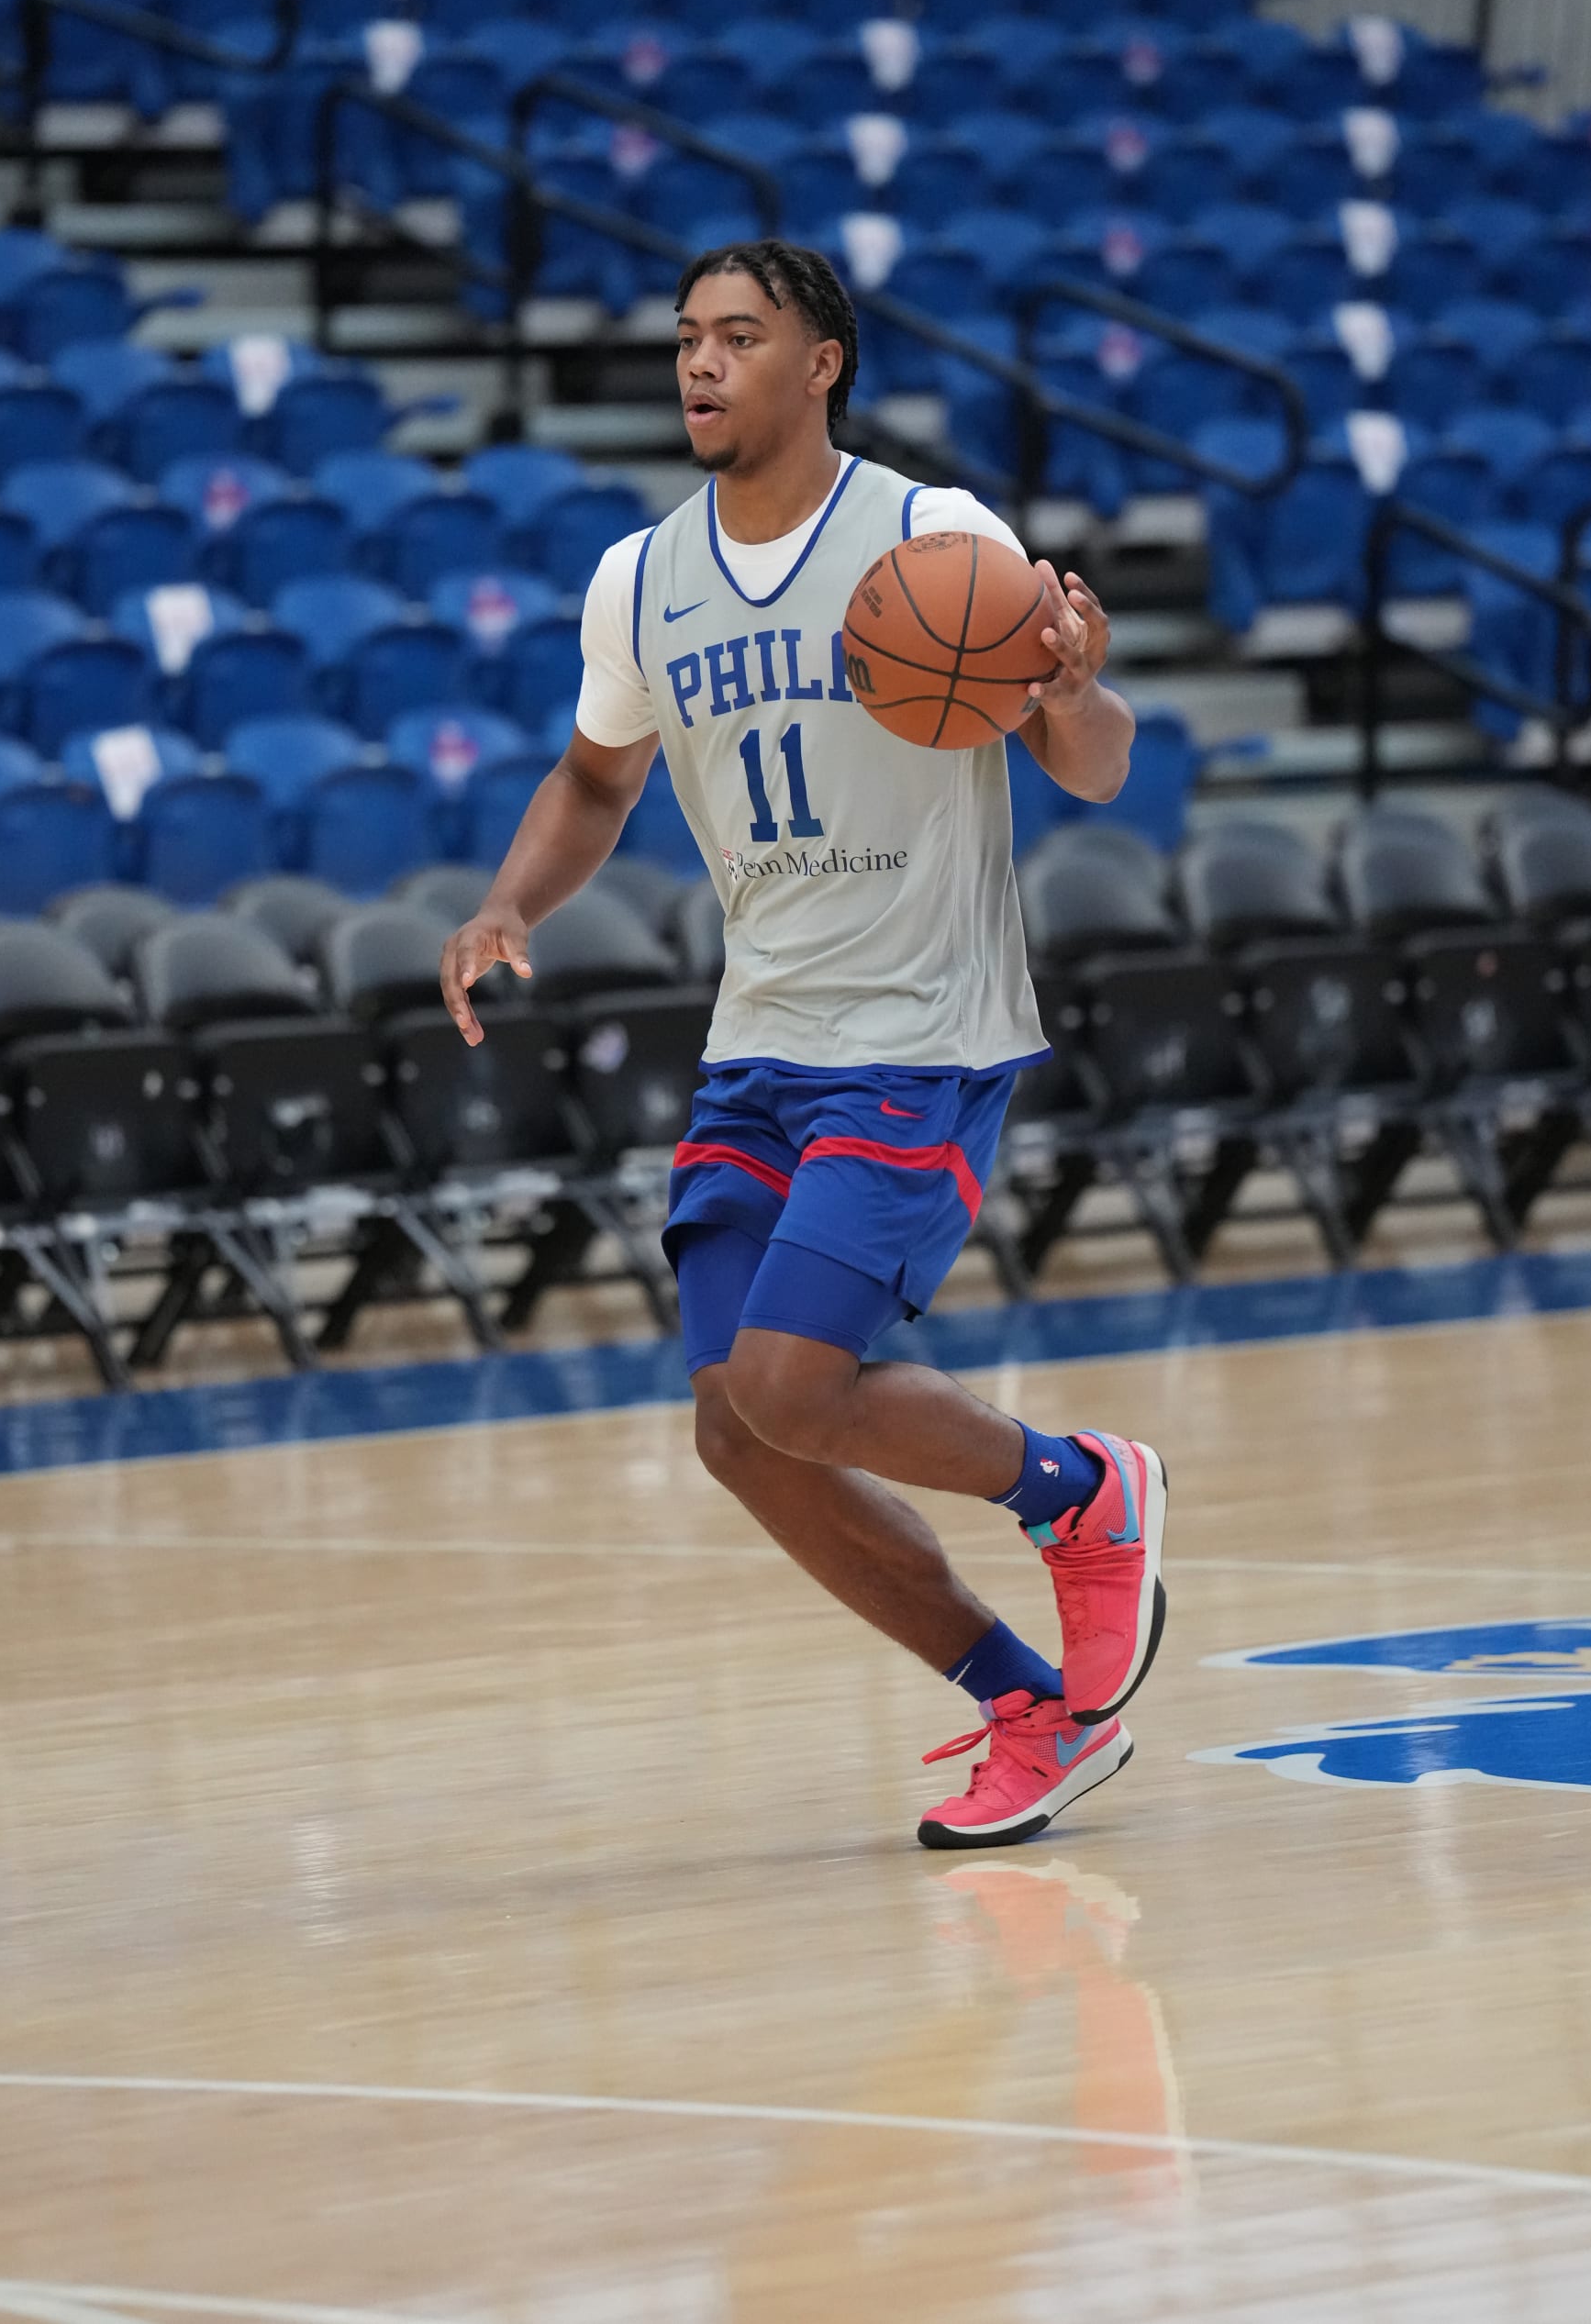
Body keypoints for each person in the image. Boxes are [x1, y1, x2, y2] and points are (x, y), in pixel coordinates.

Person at [439, 239, 1167, 1849]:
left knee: (792, 1377)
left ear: (821, 360)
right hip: (761, 1039)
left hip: (923, 1030)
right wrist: (508, 906)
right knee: (735, 1425)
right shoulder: (639, 579)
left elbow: (1096, 762)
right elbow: (591, 782)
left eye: (739, 336)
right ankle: (1025, 1706)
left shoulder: (930, 536)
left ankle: (1084, 1495)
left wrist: (1076, 689)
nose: (700, 363)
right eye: (687, 337)